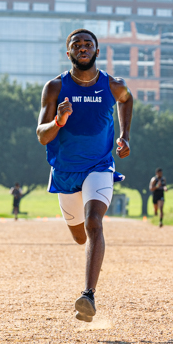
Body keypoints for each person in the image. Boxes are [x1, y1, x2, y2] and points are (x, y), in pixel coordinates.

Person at [36, 28, 133, 322]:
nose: (82, 47)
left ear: (96, 51)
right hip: (65, 171)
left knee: (94, 223)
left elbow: (126, 99)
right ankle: (86, 252)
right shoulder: (54, 88)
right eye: (76, 44)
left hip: (100, 166)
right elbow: (41, 135)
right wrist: (59, 120)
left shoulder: (112, 85)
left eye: (87, 44)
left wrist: (125, 136)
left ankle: (88, 295)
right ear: (69, 53)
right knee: (80, 236)